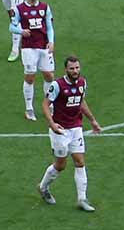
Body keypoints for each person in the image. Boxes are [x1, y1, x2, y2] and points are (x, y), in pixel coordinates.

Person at [38, 55, 102, 211]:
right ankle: (43, 187)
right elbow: (45, 104)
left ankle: (82, 199)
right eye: (72, 68)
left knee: (80, 162)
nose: (75, 71)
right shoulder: (57, 85)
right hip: (60, 130)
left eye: (77, 68)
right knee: (61, 165)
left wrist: (92, 120)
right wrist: (52, 124)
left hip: (76, 128)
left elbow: (81, 102)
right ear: (66, 69)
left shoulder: (82, 83)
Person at [8, 0, 54, 121]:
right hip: (28, 48)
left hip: (44, 46)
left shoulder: (45, 7)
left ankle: (50, 105)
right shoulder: (18, 9)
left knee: (49, 76)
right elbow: (12, 27)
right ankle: (29, 109)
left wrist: (51, 41)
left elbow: (50, 27)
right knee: (30, 77)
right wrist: (21, 31)